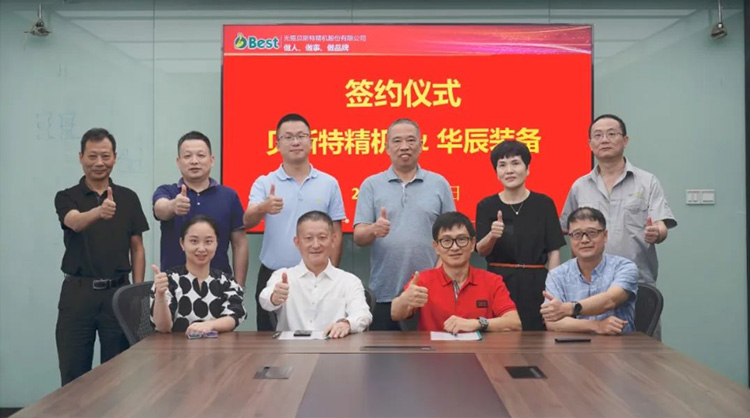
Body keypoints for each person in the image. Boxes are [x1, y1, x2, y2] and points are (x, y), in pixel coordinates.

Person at [54, 128, 149, 385]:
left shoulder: (128, 197)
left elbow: (137, 247)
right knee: (74, 375)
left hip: (117, 295)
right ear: (81, 157)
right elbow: (74, 222)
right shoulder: (67, 196)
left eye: (105, 156)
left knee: (117, 378)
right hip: (77, 294)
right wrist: (99, 211)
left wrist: (137, 292)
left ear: (115, 157)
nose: (99, 162)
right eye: (92, 156)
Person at [244, 114, 346, 331]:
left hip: (318, 276)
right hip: (273, 274)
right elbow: (247, 221)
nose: (296, 142)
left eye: (301, 136)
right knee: (268, 340)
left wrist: (332, 272)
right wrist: (263, 208)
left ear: (311, 141)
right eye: (288, 137)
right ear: (277, 144)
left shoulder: (329, 183)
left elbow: (336, 233)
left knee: (322, 337)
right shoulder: (265, 182)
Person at [353, 118, 455, 330]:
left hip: (429, 293)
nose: (404, 146)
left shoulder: (439, 184)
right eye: (397, 141)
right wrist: (373, 229)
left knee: (431, 351)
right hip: (384, 292)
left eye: (411, 140)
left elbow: (452, 236)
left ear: (421, 145)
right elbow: (359, 236)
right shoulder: (371, 185)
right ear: (386, 147)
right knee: (383, 351)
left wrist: (436, 276)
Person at [560, 114, 677, 285]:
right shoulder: (579, 186)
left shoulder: (647, 182)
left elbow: (661, 225)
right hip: (590, 282)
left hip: (636, 280)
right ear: (590, 144)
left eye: (611, 134)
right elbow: (569, 231)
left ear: (625, 140)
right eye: (598, 135)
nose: (604, 140)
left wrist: (657, 232)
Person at [475, 141, 566, 331]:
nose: (509, 170)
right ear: (496, 172)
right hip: (498, 283)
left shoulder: (544, 204)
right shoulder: (486, 205)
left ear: (527, 169)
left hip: (536, 283)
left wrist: (553, 290)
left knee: (537, 336)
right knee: (500, 335)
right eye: (502, 165)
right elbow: (481, 251)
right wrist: (492, 235)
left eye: (515, 163)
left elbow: (554, 252)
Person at [391, 212, 521, 333]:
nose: (454, 247)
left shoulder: (492, 281)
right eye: (446, 241)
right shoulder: (422, 280)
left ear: (472, 244)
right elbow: (395, 314)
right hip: (433, 350)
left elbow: (514, 323)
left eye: (461, 239)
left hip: (479, 349)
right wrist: (404, 300)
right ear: (436, 247)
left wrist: (477, 323)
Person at [153, 131, 248, 285]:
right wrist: (173, 205)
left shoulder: (229, 196)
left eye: (201, 155)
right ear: (178, 162)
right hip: (175, 285)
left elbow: (240, 243)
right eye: (187, 156)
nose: (194, 161)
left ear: (212, 160)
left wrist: (239, 286)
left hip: (219, 285)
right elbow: (160, 209)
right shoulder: (168, 191)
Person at [258, 211, 372, 338]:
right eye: (308, 238)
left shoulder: (349, 281)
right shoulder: (282, 277)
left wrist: (347, 324)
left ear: (333, 240)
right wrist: (274, 297)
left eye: (322, 237)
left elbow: (362, 314)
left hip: (334, 347)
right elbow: (264, 299)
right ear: (297, 242)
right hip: (291, 348)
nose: (316, 245)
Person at [542, 207, 639, 335]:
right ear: (570, 238)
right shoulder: (557, 275)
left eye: (592, 233)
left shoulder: (624, 267)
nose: (584, 240)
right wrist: (597, 326)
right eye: (577, 234)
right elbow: (552, 322)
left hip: (618, 343)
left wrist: (569, 308)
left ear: (605, 235)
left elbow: (610, 300)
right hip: (573, 345)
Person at [151, 215, 247, 335]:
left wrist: (210, 325)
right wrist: (160, 295)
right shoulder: (169, 280)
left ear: (216, 244)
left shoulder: (226, 281)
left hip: (218, 346)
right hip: (176, 346)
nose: (201, 248)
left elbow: (235, 316)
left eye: (208, 242)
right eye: (194, 241)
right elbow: (163, 327)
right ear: (182, 243)